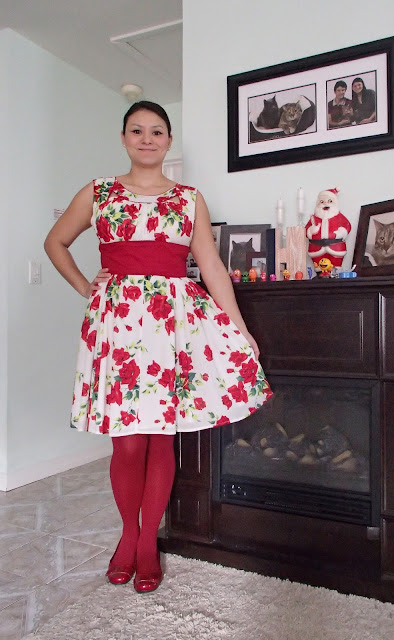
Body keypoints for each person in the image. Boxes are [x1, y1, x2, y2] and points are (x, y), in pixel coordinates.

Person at [44, 101, 273, 593]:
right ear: (123, 138)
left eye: (157, 131)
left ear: (169, 140)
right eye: (137, 130)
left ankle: (148, 543)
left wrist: (240, 328)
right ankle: (129, 534)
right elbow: (55, 242)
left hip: (172, 328)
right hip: (119, 326)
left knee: (160, 439)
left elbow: (211, 267)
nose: (147, 139)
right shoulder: (99, 192)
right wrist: (86, 287)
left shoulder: (189, 199)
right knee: (126, 442)